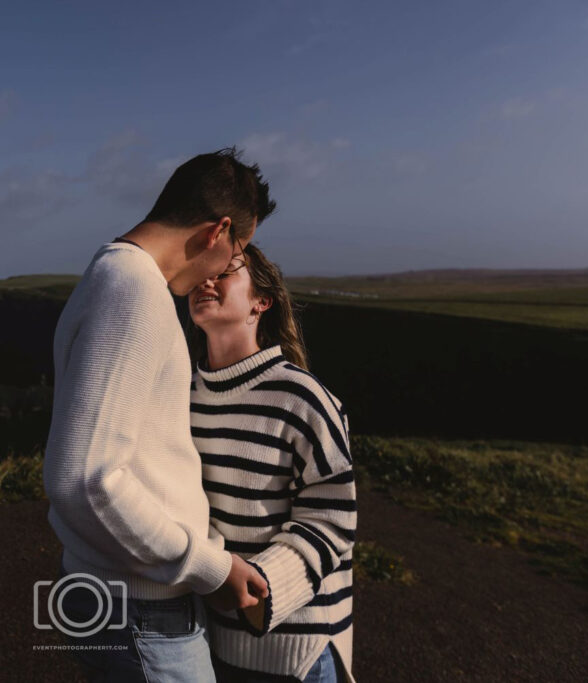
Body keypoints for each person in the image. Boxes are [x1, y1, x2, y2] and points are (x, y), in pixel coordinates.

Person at [43, 147, 277, 682]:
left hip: (114, 591)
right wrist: (211, 567)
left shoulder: (107, 273)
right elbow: (83, 479)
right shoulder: (135, 292)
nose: (226, 267)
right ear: (217, 231)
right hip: (139, 607)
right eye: (239, 249)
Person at [184, 244, 357, 683]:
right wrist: (211, 568)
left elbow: (333, 520)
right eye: (201, 271)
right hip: (213, 645)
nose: (206, 280)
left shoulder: (302, 398)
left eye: (224, 273)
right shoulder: (182, 396)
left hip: (299, 656)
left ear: (261, 302)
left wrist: (258, 586)